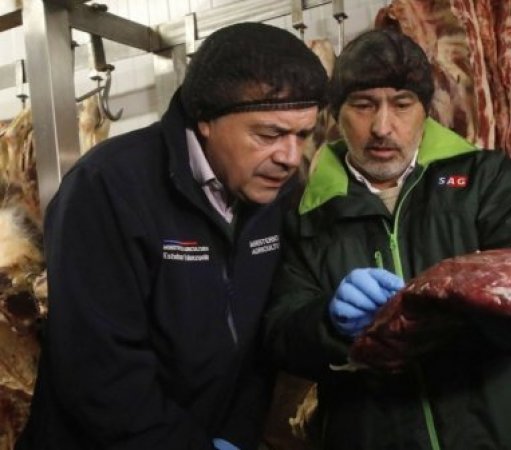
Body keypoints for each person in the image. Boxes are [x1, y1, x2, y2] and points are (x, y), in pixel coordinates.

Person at [262, 27, 511, 450]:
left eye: (402, 104)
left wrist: (480, 302)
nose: (382, 127)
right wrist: (327, 321)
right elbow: (281, 333)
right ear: (337, 114)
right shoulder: (308, 214)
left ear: (424, 110)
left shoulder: (485, 178)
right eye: (363, 105)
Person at [16, 22, 327, 450]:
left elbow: (255, 347)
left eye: (302, 135)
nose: (290, 157)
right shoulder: (107, 187)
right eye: (269, 134)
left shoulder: (276, 194)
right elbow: (99, 371)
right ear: (206, 120)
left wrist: (236, 434)